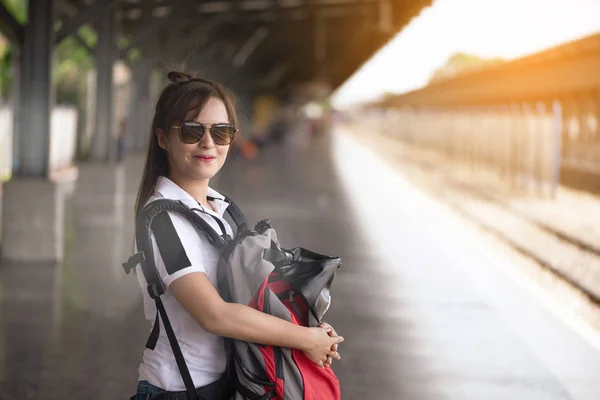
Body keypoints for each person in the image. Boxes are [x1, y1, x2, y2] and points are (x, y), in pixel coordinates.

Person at [132, 71, 344, 400]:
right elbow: (214, 314)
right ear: (163, 138)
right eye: (191, 131)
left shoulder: (221, 208)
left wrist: (309, 328)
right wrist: (304, 340)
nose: (208, 143)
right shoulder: (163, 220)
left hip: (228, 382)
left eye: (221, 131)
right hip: (177, 390)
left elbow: (252, 292)